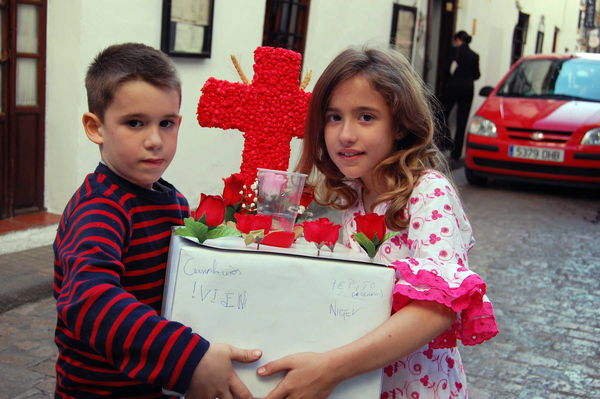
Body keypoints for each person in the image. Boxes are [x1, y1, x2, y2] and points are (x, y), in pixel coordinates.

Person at [256, 47, 498, 398]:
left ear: (399, 125)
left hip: (416, 388)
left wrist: (330, 368)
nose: (345, 134)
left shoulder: (427, 193)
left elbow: (437, 311)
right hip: (365, 383)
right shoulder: (354, 193)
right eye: (333, 117)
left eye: (366, 117)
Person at [53, 42, 261, 398]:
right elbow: (90, 299)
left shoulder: (173, 200)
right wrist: (190, 358)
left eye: (166, 124)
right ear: (95, 127)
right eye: (135, 123)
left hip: (155, 385)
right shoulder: (100, 207)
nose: (155, 140)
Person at [440, 30, 481, 161]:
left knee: (442, 113)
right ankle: (457, 153)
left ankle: (447, 141)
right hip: (468, 89)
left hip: (453, 88)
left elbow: (446, 69)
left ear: (458, 40)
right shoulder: (474, 56)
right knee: (462, 120)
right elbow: (477, 75)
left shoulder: (454, 52)